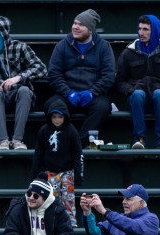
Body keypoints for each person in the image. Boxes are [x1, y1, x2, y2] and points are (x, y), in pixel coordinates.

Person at [0, 15, 47, 151]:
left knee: (25, 91)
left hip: (18, 95)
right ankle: (2, 142)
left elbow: (41, 68)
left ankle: (17, 140)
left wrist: (18, 77)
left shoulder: (19, 47)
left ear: (0, 32)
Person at [47, 9, 115, 148]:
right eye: (74, 23)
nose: (75, 27)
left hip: (92, 95)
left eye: (81, 25)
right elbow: (54, 74)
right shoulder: (62, 45)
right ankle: (62, 141)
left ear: (90, 30)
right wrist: (68, 92)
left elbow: (108, 76)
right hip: (67, 94)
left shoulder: (103, 46)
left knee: (103, 107)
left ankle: (78, 144)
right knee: (52, 105)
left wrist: (92, 92)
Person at [116, 14, 160, 150]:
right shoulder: (128, 53)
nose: (141, 33)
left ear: (155, 31)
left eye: (146, 29)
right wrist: (130, 90)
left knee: (159, 94)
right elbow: (119, 81)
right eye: (140, 29)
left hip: (159, 100)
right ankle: (139, 139)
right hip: (138, 101)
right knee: (137, 95)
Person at [31, 99, 83, 227]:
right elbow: (38, 153)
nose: (57, 120)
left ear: (65, 117)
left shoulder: (71, 131)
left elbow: (78, 153)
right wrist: (35, 175)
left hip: (67, 172)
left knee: (68, 197)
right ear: (50, 117)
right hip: (50, 172)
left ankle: (70, 220)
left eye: (60, 117)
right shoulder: (44, 131)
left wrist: (78, 175)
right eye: (54, 117)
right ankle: (52, 219)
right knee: (51, 197)